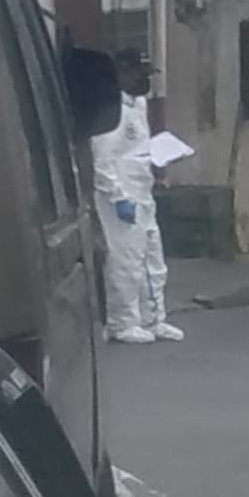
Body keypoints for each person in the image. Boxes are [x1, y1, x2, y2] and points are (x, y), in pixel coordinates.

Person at [92, 49, 183, 344]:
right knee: (126, 261)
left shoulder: (138, 105)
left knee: (152, 259)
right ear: (122, 74)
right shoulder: (109, 110)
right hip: (122, 195)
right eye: (137, 73)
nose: (143, 80)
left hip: (142, 191)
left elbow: (137, 149)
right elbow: (102, 160)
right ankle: (122, 322)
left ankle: (153, 318)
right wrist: (117, 196)